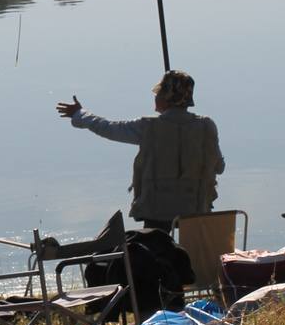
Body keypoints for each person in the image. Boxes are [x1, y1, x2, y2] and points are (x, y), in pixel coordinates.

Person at [56, 70, 224, 229]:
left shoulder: (148, 127)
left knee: (154, 251)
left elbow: (109, 128)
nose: (155, 96)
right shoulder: (206, 125)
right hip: (195, 211)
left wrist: (80, 114)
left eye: (158, 93)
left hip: (157, 213)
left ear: (166, 97)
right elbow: (219, 167)